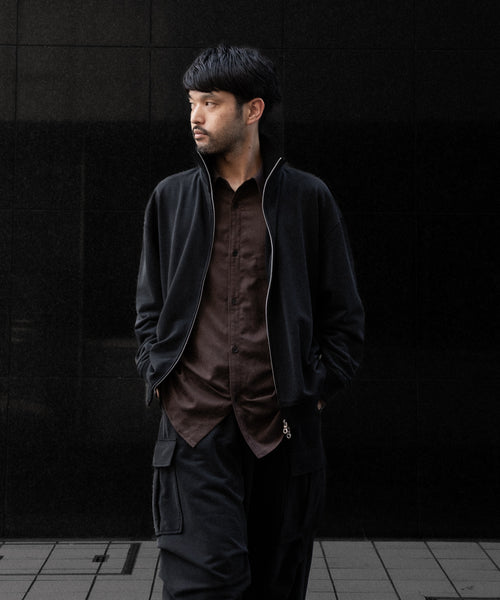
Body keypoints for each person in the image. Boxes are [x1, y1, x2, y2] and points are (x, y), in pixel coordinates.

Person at [135, 44, 364, 600]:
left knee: (274, 587)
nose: (195, 116)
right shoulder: (170, 199)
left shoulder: (307, 199)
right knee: (205, 587)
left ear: (253, 109)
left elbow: (344, 316)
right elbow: (150, 311)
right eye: (192, 103)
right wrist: (161, 377)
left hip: (281, 431)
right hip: (194, 428)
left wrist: (313, 391)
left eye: (210, 103)